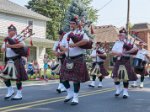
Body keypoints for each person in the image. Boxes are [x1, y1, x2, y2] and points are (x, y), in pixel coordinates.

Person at [60, 16, 90, 105]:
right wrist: (64, 49)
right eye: (70, 23)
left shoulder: (81, 33)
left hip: (78, 58)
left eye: (73, 23)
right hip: (68, 59)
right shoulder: (66, 35)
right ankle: (70, 93)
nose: (71, 25)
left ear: (77, 25)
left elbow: (86, 41)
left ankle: (76, 97)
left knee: (76, 80)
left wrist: (75, 44)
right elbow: (61, 45)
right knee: (63, 77)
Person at [0, 24, 28, 100]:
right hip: (8, 60)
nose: (9, 31)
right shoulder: (7, 39)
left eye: (11, 30)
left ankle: (19, 94)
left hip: (16, 60)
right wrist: (5, 47)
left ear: (15, 31)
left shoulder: (18, 38)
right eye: (8, 30)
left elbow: (22, 45)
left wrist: (11, 46)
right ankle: (10, 90)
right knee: (5, 77)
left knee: (17, 78)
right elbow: (2, 49)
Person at [111, 28, 137, 99]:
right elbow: (112, 51)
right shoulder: (117, 42)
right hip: (118, 60)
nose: (120, 36)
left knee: (125, 78)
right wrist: (118, 53)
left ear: (125, 35)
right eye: (119, 35)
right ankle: (118, 89)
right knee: (115, 77)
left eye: (122, 35)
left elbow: (135, 49)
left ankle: (125, 92)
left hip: (126, 60)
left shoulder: (129, 42)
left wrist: (127, 52)